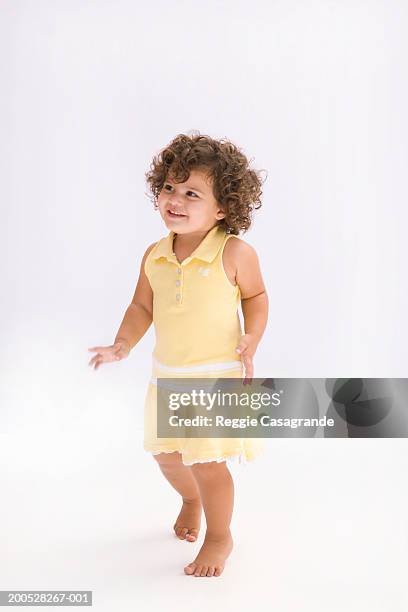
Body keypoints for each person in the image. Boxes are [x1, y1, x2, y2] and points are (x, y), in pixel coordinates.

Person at [88, 132, 269, 577]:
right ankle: (190, 500)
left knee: (207, 462)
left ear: (223, 207)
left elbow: (257, 297)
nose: (176, 199)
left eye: (193, 193)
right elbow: (142, 307)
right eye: (170, 187)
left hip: (215, 377)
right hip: (167, 375)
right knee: (168, 455)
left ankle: (220, 536)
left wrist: (253, 337)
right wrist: (122, 344)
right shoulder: (155, 255)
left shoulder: (234, 252)